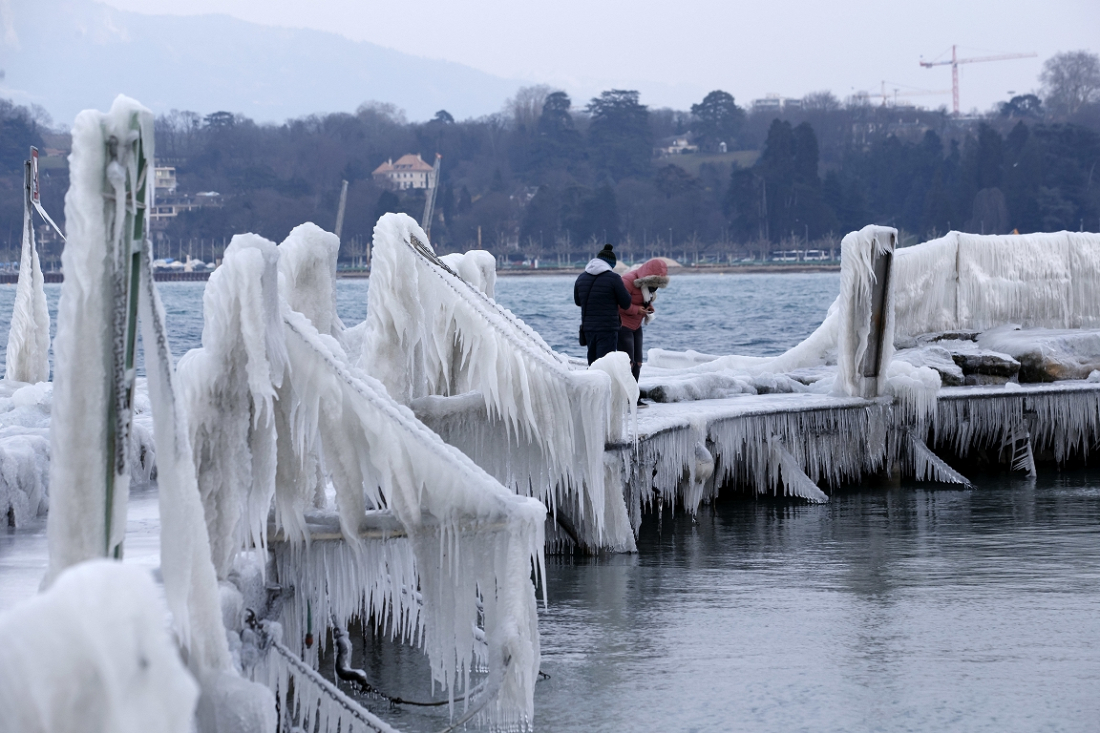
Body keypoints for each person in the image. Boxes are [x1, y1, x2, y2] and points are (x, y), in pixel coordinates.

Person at [574, 244, 634, 364]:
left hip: (588, 328)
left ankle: (592, 382)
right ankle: (605, 383)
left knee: (593, 362)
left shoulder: (581, 278)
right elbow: (626, 303)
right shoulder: (614, 278)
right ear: (610, 264)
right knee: (606, 363)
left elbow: (578, 301)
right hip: (608, 328)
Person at [618, 258, 669, 382]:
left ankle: (634, 394)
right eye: (654, 282)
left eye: (658, 283)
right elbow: (618, 304)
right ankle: (625, 395)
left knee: (638, 362)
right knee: (628, 362)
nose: (655, 286)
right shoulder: (627, 281)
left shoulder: (647, 287)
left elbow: (642, 300)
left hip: (636, 325)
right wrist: (637, 310)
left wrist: (648, 308)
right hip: (623, 325)